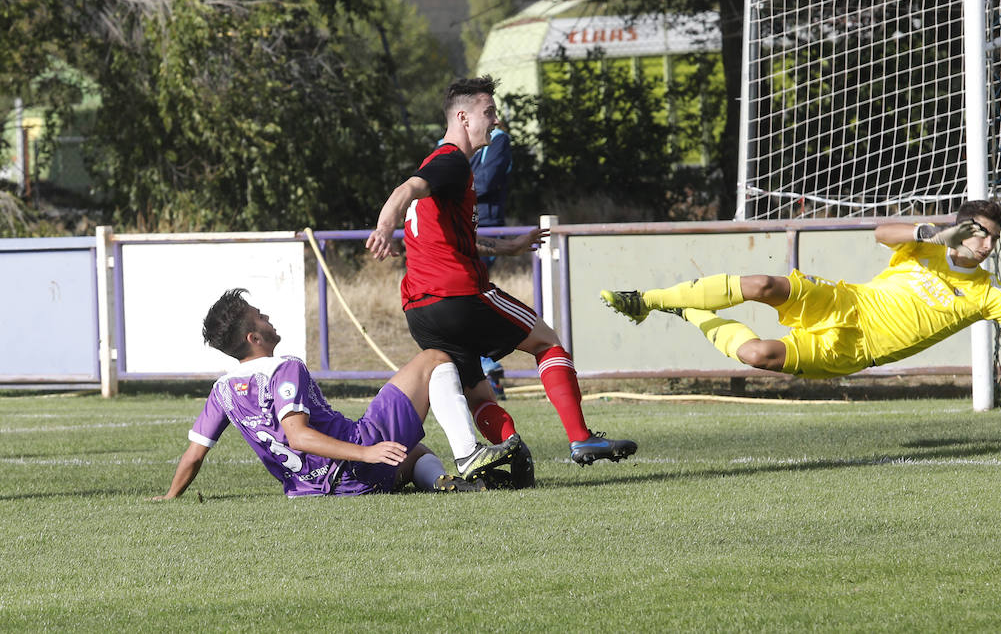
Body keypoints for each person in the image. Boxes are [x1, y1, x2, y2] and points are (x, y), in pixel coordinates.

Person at [366, 75, 637, 474]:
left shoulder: (442, 168)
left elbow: (452, 237)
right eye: (488, 112)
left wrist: (505, 247)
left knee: (478, 392)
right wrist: (383, 227)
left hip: (421, 311)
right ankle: (581, 438)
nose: (495, 120)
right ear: (463, 117)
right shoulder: (451, 161)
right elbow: (406, 189)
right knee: (547, 342)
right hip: (458, 296)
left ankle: (512, 451)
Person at [599, 199, 1001, 378]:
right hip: (845, 299)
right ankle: (646, 300)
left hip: (851, 349)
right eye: (981, 233)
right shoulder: (925, 244)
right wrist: (933, 230)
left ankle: (690, 313)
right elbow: (882, 231)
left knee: (757, 354)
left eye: (994, 238)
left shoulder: (988, 296)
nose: (987, 244)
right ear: (964, 228)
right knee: (762, 282)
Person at [150, 289, 523, 500]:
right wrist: (366, 451)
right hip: (354, 465)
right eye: (260, 317)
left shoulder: (222, 392)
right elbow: (298, 435)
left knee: (415, 452)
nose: (268, 318)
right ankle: (468, 455)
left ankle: (444, 482)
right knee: (434, 359)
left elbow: (193, 455)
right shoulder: (285, 367)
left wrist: (169, 497)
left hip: (311, 488)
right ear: (254, 337)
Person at [470, 120, 513, 399]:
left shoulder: (498, 140)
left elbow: (486, 181)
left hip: (486, 226)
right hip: (466, 227)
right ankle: (482, 366)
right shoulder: (448, 145)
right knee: (469, 296)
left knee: (475, 294)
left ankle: (485, 365)